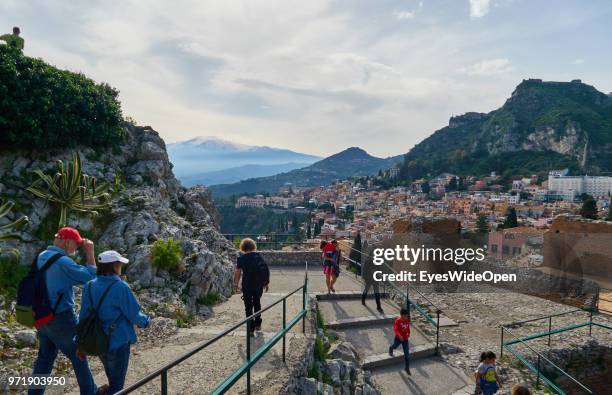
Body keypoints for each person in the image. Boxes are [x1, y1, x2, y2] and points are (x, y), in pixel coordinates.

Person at [29, 227, 98, 395]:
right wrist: (90, 252)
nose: (77, 248)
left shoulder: (41, 256)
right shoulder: (62, 261)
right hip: (61, 318)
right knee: (79, 357)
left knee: (44, 359)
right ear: (67, 242)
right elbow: (91, 277)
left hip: (41, 316)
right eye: (77, 244)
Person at [78, 250, 151, 394]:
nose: (121, 267)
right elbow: (134, 314)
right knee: (117, 385)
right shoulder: (120, 287)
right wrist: (146, 322)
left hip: (98, 340)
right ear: (115, 266)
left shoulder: (89, 286)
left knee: (112, 376)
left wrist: (79, 342)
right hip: (118, 341)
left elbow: (83, 316)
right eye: (120, 264)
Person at [234, 238, 269, 335]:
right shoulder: (258, 256)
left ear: (243, 247)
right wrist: (266, 283)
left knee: (248, 307)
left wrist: (236, 284)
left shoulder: (241, 259)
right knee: (257, 304)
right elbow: (264, 268)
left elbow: (238, 272)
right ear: (253, 246)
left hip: (247, 285)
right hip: (258, 285)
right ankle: (258, 324)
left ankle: (250, 329)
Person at [361, 241, 383, 313]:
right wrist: (365, 277)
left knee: (377, 292)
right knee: (367, 289)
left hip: (375, 278)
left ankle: (378, 306)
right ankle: (363, 299)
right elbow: (365, 270)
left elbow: (379, 268)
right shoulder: (368, 260)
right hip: (369, 278)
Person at [388, 307, 411, 375]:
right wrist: (399, 335)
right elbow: (395, 329)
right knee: (395, 346)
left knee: (407, 355)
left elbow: (408, 327)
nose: (406, 317)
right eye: (405, 316)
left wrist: (409, 333)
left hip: (405, 339)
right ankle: (391, 348)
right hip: (398, 338)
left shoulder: (407, 320)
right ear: (401, 315)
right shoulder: (397, 321)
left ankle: (407, 368)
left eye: (407, 316)